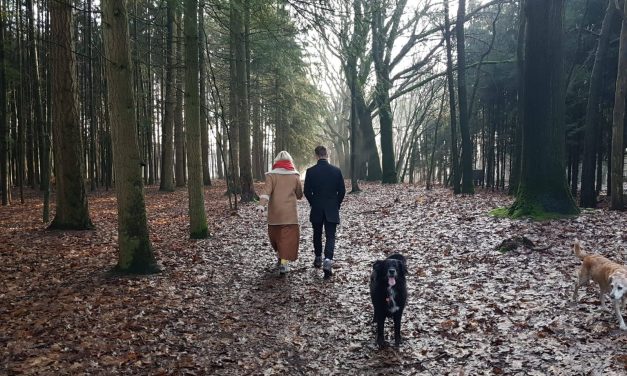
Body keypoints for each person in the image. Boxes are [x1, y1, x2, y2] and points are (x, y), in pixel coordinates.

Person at [257, 151, 303, 275]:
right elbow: (299, 194)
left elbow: (266, 192)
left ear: (277, 161)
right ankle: (283, 260)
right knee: (287, 239)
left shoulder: (271, 176)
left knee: (276, 238)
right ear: (290, 161)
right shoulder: (295, 176)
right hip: (290, 215)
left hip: (275, 215)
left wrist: (261, 206)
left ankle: (283, 261)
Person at [304, 146, 345, 279]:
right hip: (331, 207)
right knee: (330, 236)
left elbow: (306, 191)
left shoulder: (310, 171)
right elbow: (342, 191)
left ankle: (317, 257)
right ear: (327, 154)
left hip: (317, 207)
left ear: (316, 155)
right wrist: (336, 204)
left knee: (317, 233)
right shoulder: (336, 171)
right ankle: (328, 260)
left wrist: (313, 202)